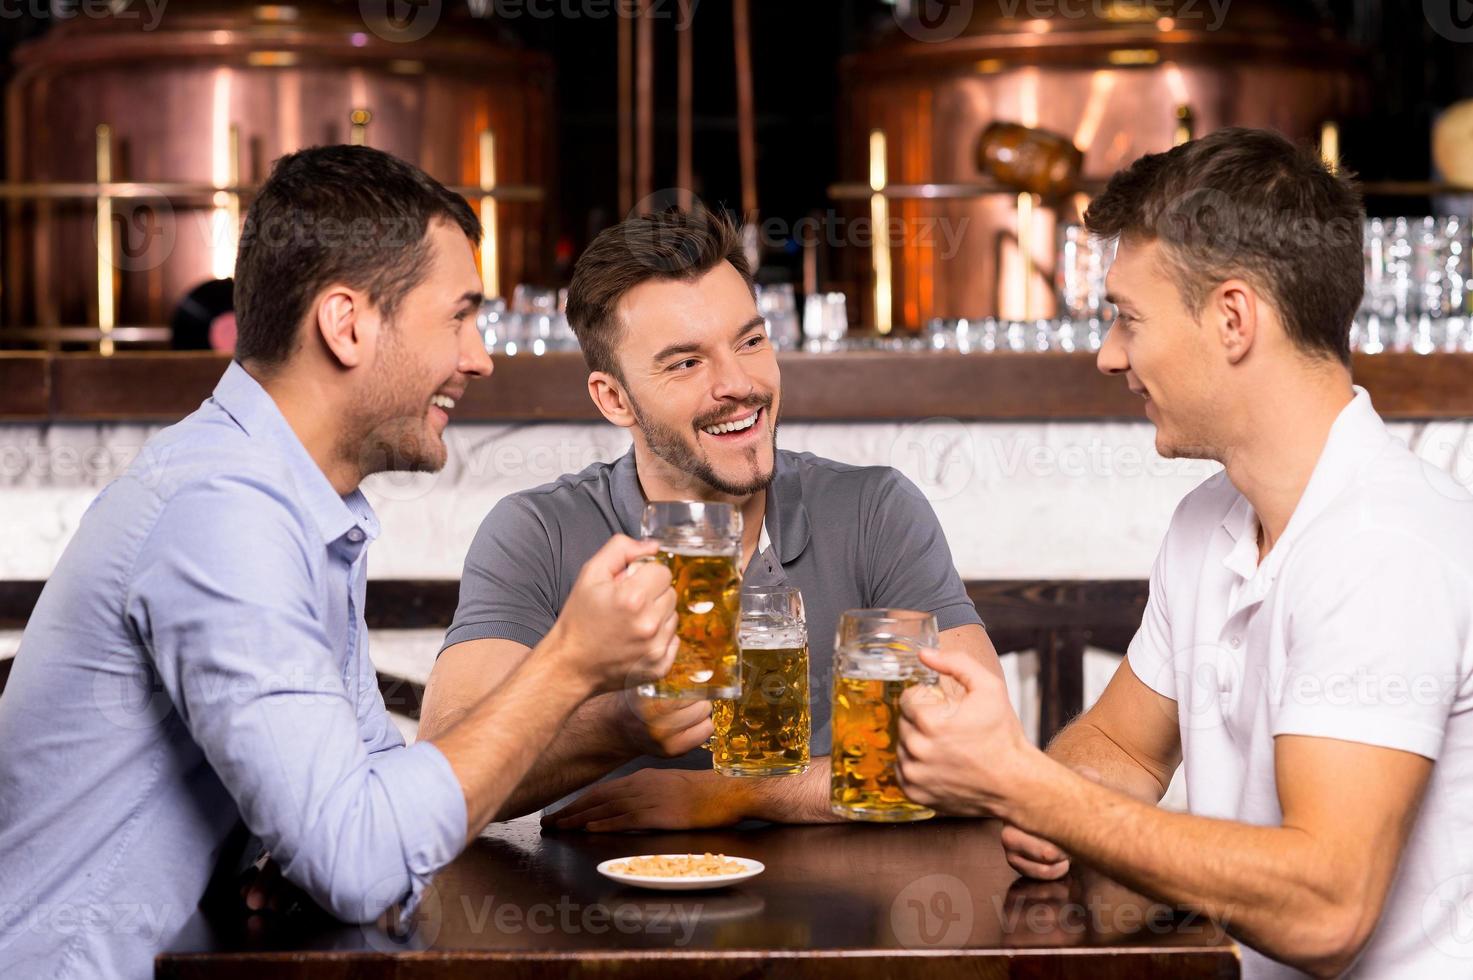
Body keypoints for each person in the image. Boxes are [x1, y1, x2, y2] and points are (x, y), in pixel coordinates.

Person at [0, 146, 680, 980]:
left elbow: (370, 811)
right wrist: (570, 662)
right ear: (346, 323)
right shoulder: (224, 513)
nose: (479, 357)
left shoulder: (294, 502)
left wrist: (314, 849)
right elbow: (362, 858)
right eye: (458, 316)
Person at [895, 128, 1473, 978]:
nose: (1108, 355)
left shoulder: (1386, 543)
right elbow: (1123, 752)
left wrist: (1024, 784)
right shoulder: (1210, 519)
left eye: (1128, 318)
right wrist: (1050, 802)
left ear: (1232, 318)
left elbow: (1329, 910)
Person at [419, 208, 1003, 830]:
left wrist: (743, 794)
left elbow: (985, 750)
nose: (738, 383)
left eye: (750, 342)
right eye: (685, 363)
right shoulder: (539, 531)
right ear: (614, 399)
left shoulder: (874, 510)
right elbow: (441, 780)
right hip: (598, 915)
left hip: (843, 918)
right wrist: (618, 725)